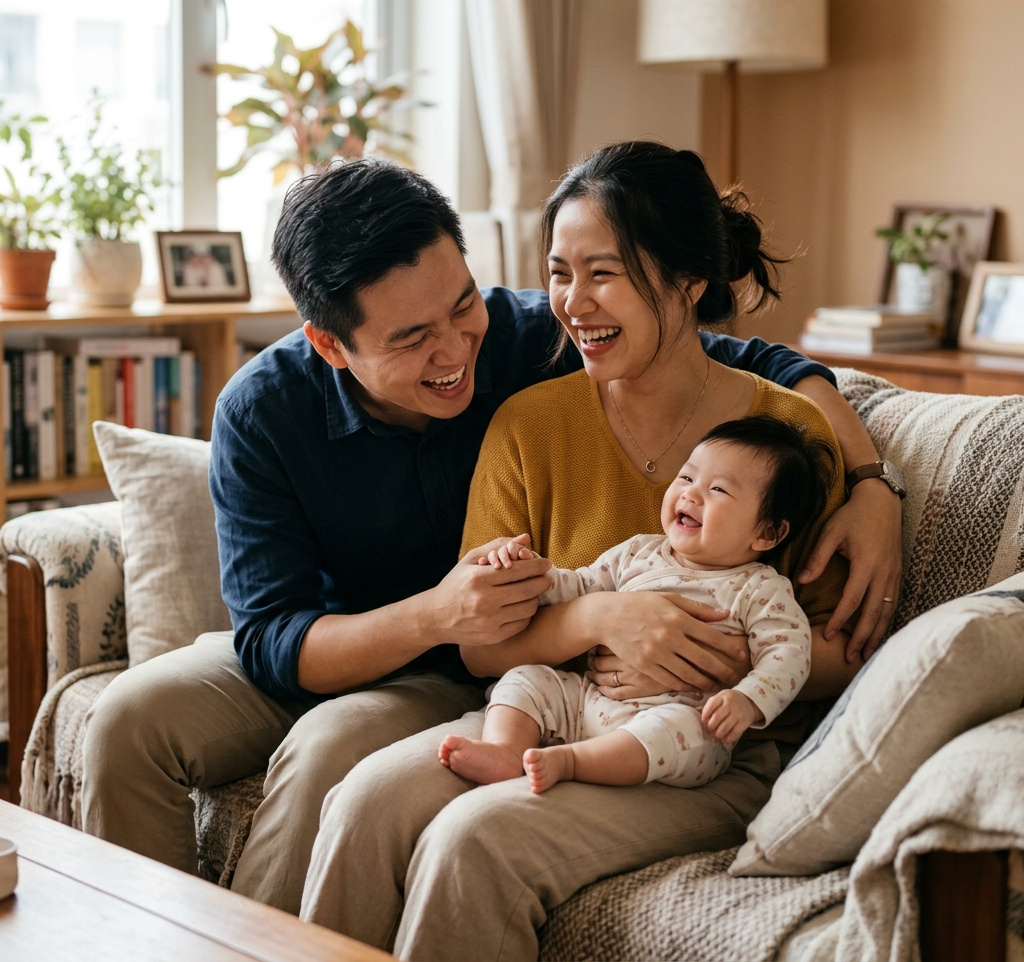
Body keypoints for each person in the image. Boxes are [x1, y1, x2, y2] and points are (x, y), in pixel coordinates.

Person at [79, 153, 900, 921]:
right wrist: (440, 614)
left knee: (334, 751)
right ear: (329, 344)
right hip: (354, 640)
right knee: (127, 720)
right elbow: (272, 640)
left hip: (478, 667)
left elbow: (727, 356)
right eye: (410, 339)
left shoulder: (527, 336)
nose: (453, 350)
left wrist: (871, 485)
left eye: (462, 304)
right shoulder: (263, 410)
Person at [297, 143, 903, 960]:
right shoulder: (528, 423)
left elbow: (848, 650)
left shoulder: (786, 437)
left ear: (690, 281)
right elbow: (480, 644)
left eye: (603, 273)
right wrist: (605, 620)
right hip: (558, 708)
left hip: (703, 753)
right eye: (558, 273)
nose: (573, 303)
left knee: (472, 840)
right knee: (367, 799)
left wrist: (716, 658)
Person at [439, 415, 834, 795]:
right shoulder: (638, 553)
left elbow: (789, 654)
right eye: (687, 476)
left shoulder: (759, 588)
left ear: (767, 533)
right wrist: (532, 573)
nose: (690, 493)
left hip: (678, 721)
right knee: (527, 679)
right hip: (593, 701)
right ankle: (506, 750)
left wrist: (748, 699)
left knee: (684, 731)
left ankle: (571, 762)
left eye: (718, 490)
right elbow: (578, 585)